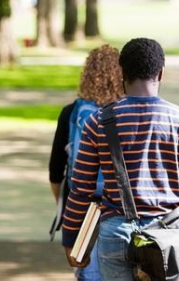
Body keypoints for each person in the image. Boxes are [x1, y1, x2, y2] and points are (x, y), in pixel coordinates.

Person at [66, 38, 179, 281]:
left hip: (115, 233)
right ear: (161, 73)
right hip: (170, 237)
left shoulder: (97, 123)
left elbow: (81, 188)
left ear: (122, 72)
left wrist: (71, 239)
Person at [49, 45, 124, 280]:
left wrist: (69, 205)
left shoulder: (71, 113)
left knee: (88, 273)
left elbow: (55, 170)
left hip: (83, 211)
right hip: (123, 209)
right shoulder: (129, 112)